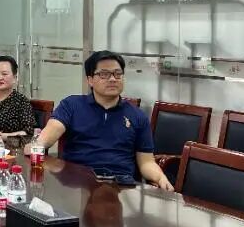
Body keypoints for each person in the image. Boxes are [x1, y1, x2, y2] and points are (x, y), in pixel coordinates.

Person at [30, 50, 174, 192]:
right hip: (77, 183)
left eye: (117, 74)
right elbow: (45, 139)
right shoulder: (71, 105)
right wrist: (33, 146)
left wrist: (160, 177)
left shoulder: (137, 116)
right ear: (90, 80)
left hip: (121, 187)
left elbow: (146, 162)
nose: (112, 79)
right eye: (104, 74)